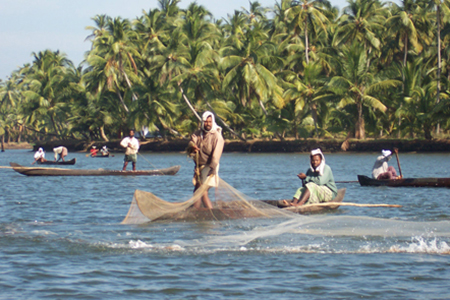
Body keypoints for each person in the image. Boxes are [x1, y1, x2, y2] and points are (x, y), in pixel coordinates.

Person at [186, 111, 224, 209]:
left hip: (210, 167)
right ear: (203, 122)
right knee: (198, 191)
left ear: (213, 122)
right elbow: (191, 145)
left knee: (201, 191)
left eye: (210, 122)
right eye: (206, 122)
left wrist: (212, 168)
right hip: (200, 167)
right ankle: (199, 211)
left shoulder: (216, 136)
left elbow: (216, 155)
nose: (208, 124)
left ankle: (202, 212)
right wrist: (193, 147)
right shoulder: (198, 134)